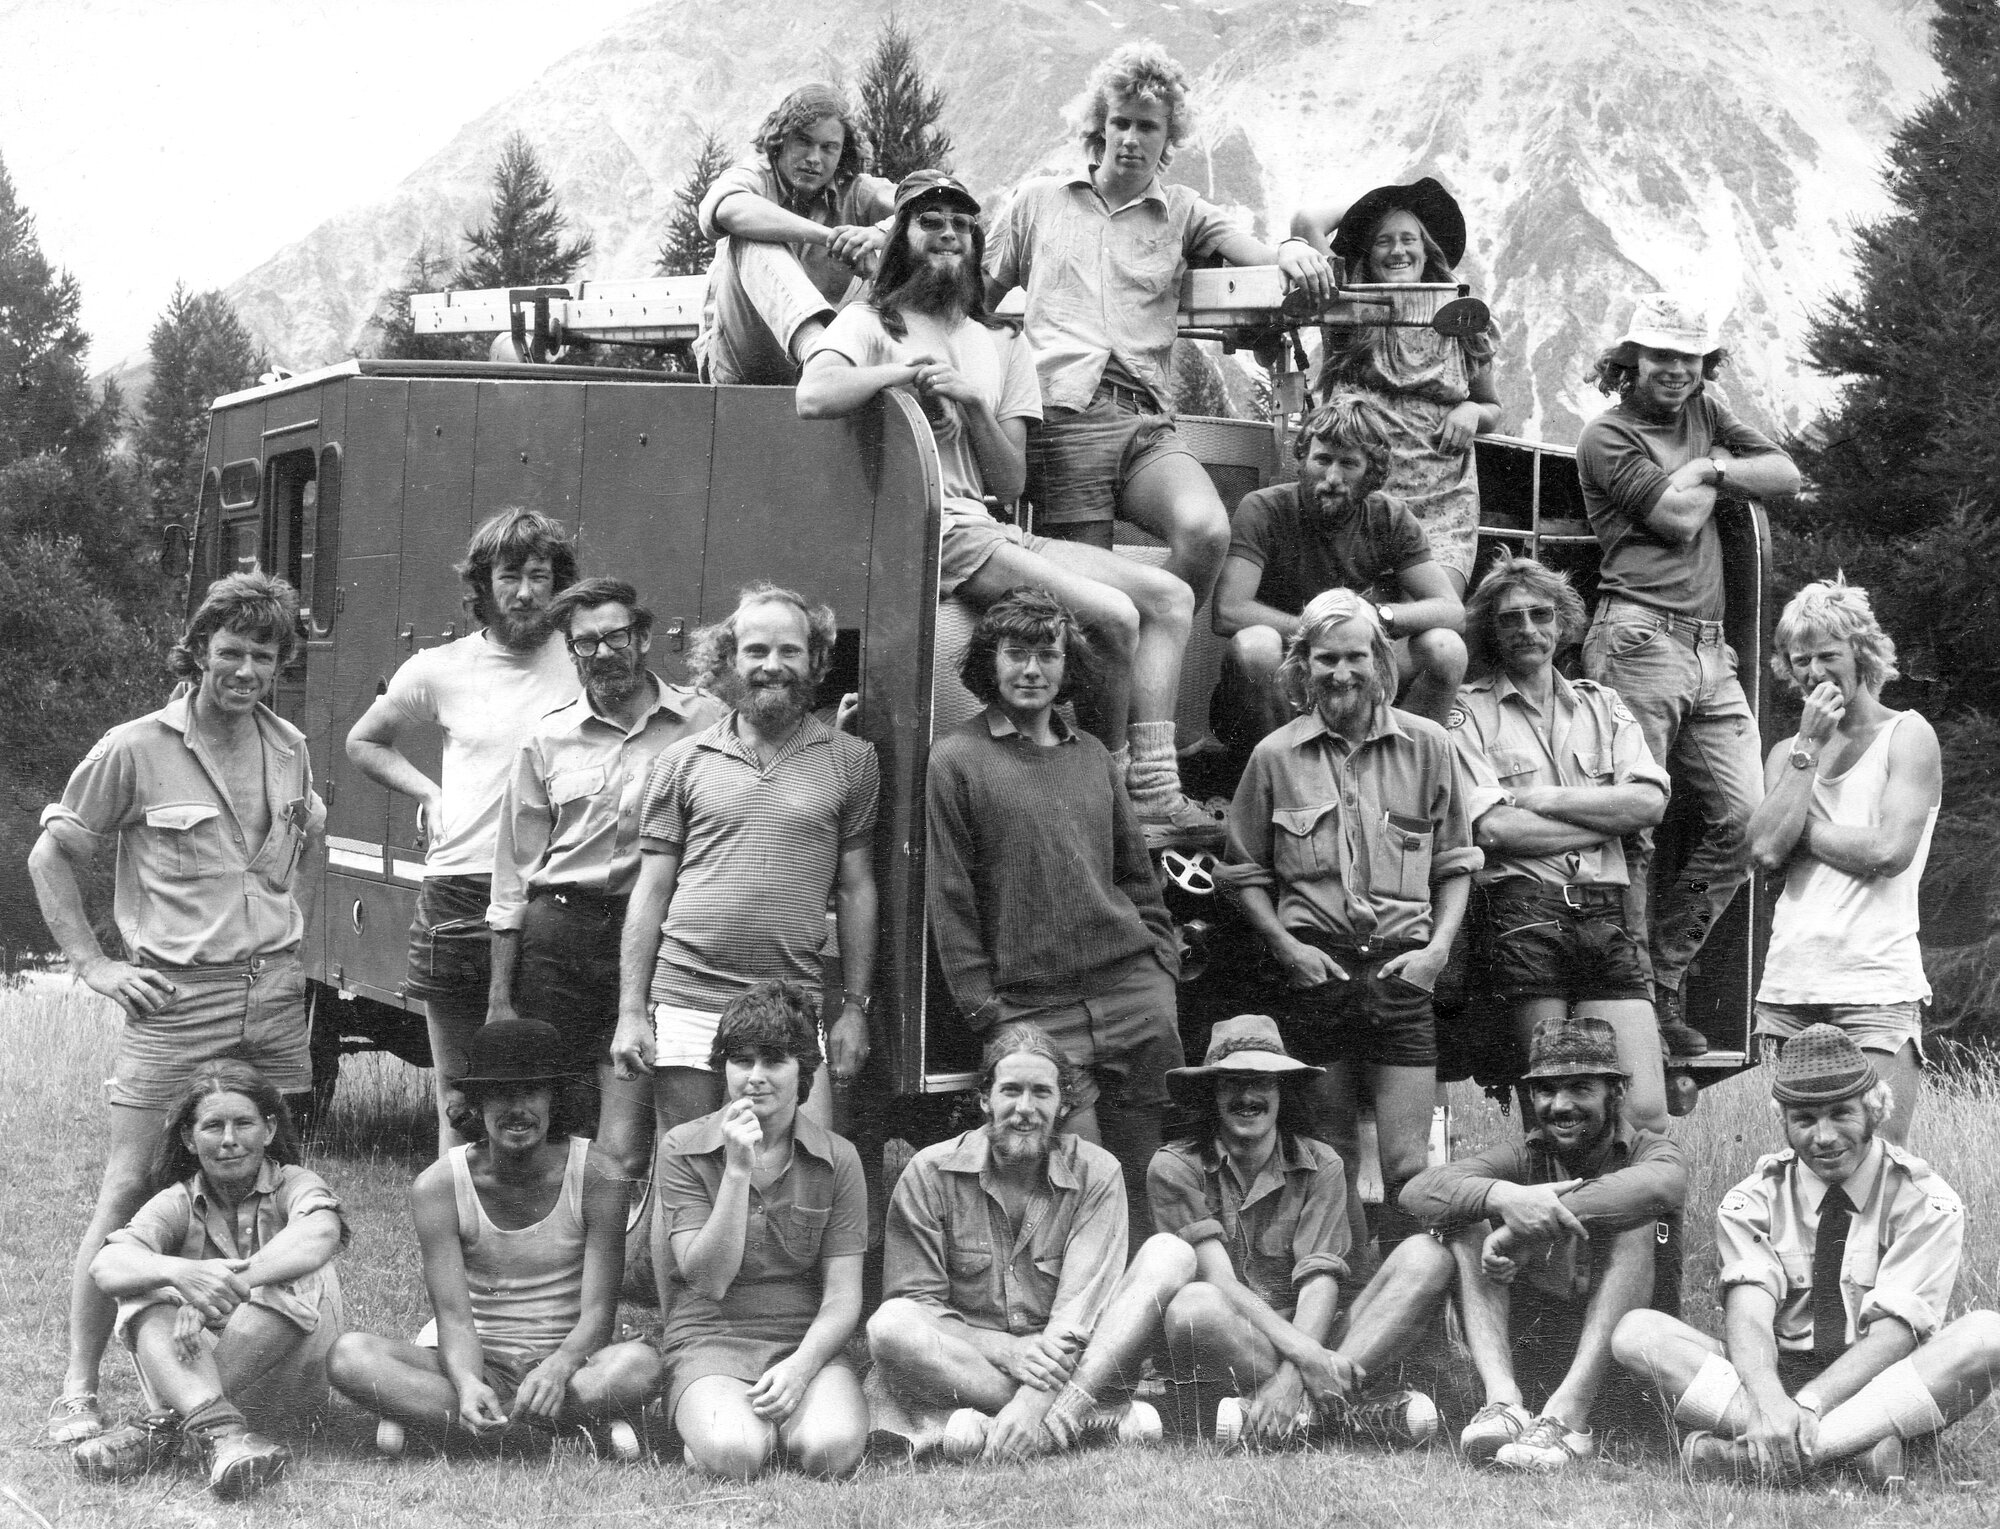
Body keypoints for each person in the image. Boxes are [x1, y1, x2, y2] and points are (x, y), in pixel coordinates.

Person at [984, 42, 1337, 840]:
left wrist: (1291, 254)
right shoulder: (1040, 202)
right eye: (1120, 124)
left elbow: (1257, 251)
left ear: (1166, 136)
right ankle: (1116, 771)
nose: (1132, 139)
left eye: (1148, 126)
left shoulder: (1181, 213)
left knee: (1205, 529)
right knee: (1087, 614)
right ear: (1097, 129)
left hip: (1145, 416)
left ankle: (1144, 747)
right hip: (1062, 420)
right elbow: (970, 287)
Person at [799, 169, 1201, 839]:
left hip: (991, 523)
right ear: (901, 237)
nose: (948, 233)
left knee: (1169, 600)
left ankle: (1154, 790)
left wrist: (969, 402)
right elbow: (813, 395)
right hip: (935, 528)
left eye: (961, 223)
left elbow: (1011, 481)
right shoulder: (873, 322)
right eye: (930, 221)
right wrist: (906, 375)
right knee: (1113, 618)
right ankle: (1105, 802)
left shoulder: (1003, 345)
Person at [30, 571, 326, 1447]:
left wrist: (286, 929)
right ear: (197, 651)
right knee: (129, 1186)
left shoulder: (291, 747)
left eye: (262, 656)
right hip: (175, 999)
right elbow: (52, 857)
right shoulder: (132, 746)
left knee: (277, 1184)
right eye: (228, 652)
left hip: (271, 995)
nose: (244, 670)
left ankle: (251, 1379)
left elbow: (287, 853)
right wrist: (93, 964)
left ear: (280, 664)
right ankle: (78, 1389)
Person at [1613, 1024, 2000, 1490]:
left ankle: (1763, 1455)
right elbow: (1749, 1317)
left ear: (1873, 1111)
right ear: (1785, 1122)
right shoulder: (1753, 1198)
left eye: (1842, 1114)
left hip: (1883, 1383)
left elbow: (1894, 1336)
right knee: (1637, 1332)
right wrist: (1772, 1399)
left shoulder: (1925, 1199)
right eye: (1805, 1118)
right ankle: (1854, 1453)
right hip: (1778, 1374)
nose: (1824, 1136)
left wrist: (1811, 1403)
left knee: (1988, 1335)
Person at [1223, 589, 1479, 1258]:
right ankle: (1350, 1299)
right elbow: (1243, 872)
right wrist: (1286, 947)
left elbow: (1456, 862)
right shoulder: (1275, 756)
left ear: (1381, 662)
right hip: (1319, 971)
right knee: (1331, 1155)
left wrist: (1436, 951)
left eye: (1356, 657)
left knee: (1408, 1166)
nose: (1341, 673)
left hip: (1402, 970)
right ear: (1302, 666)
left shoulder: (1430, 745)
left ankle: (1413, 1312)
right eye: (1325, 658)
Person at [1576, 293, 1801, 1055]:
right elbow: (1673, 521)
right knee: (1634, 825)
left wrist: (1707, 465)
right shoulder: (1607, 433)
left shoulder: (1705, 418)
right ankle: (1635, 1002)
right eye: (1661, 356)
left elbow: (1787, 473)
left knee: (1749, 819)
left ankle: (1662, 977)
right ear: (1630, 359)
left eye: (1689, 358)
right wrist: (1719, 470)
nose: (1676, 371)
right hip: (1637, 636)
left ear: (1704, 365)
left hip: (1711, 653)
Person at [925, 588, 1182, 1243]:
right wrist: (987, 1010)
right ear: (992, 661)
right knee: (1079, 1173)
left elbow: (1136, 871)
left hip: (1131, 992)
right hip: (1032, 1007)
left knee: (1146, 1169)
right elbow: (950, 896)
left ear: (1069, 666)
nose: (1032, 669)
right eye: (1017, 653)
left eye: (1048, 654)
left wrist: (1161, 964)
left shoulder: (1092, 754)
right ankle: (1084, 1318)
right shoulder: (956, 758)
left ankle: (1147, 1313)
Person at [1345, 1016, 1689, 1473]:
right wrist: (1506, 1197)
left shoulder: (1652, 1150)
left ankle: (1569, 1419)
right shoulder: (1524, 1157)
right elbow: (1418, 1191)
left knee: (1635, 1220)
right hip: (1537, 1363)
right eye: (1546, 1090)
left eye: (1581, 1088)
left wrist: (1530, 1226)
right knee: (1464, 1221)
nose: (1560, 1106)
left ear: (1617, 1093)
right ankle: (1503, 1404)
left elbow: (1663, 1186)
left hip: (1624, 1369)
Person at [1022, 1015, 1378, 1448]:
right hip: (1231, 1337)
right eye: (1232, 1083)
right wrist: (1307, 1361)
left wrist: (1292, 1374)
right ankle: (1345, 1407)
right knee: (1194, 1306)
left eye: (1262, 1083)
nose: (1248, 1096)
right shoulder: (1174, 1167)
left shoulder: (1323, 1163)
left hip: (1306, 1332)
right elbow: (1220, 1282)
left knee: (1419, 1260)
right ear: (1212, 1094)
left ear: (1283, 1091)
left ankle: (1288, 1407)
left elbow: (1319, 1279)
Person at [612, 582, 879, 1156]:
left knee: (806, 1167)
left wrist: (855, 1008)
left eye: (790, 651)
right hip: (687, 996)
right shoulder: (681, 762)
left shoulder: (852, 761)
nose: (772, 666)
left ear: (816, 661)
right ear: (729, 659)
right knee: (689, 1168)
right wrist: (632, 1012)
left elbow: (858, 889)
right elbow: (651, 891)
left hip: (792, 1001)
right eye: (756, 651)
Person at [346, 507, 581, 1154]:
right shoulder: (439, 668)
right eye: (511, 575)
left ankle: (535, 1240)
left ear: (560, 583)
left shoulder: (583, 661)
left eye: (541, 575)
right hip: (458, 891)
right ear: (483, 584)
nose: (527, 591)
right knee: (458, 1096)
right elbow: (365, 740)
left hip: (550, 893)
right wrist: (428, 791)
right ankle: (457, 1240)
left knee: (546, 1087)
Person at [326, 1019, 660, 1457]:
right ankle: (553, 1427)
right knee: (349, 1356)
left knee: (641, 1365)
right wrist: (466, 1383)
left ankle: (446, 1426)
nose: (516, 1109)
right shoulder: (438, 1186)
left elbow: (598, 1314)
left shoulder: (600, 1175)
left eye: (531, 1092)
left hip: (569, 1360)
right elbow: (454, 1318)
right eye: (500, 1094)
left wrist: (558, 1369)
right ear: (476, 1104)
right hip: (473, 1357)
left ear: (555, 1098)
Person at [486, 578, 727, 1181]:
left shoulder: (705, 719)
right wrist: (499, 997)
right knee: (559, 1107)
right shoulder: (547, 737)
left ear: (642, 638)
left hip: (655, 931)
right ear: (572, 652)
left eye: (614, 637)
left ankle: (628, 1242)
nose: (601, 654)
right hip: (560, 938)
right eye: (584, 644)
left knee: (639, 1100)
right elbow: (513, 879)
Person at [1448, 554, 1672, 1130]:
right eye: (1510, 618)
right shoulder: (1466, 713)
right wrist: (1607, 820)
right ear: (1490, 631)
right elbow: (1493, 828)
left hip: (1607, 913)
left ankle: (1629, 1216)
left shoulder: (1604, 704)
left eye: (1540, 614)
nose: (1528, 629)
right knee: (1552, 1113)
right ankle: (1554, 1219)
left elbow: (1649, 803)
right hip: (1523, 915)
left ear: (1563, 621)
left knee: (1643, 1111)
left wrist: (1540, 799)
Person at [72, 1063, 346, 1499]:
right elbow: (106, 1265)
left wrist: (219, 1291)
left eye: (244, 1123)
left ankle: (164, 1430)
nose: (230, 1140)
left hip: (286, 1384)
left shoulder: (294, 1183)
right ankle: (223, 1433)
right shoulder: (177, 1199)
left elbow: (321, 1235)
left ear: (270, 1129)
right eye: (213, 1126)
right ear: (188, 1138)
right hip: (193, 1374)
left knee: (305, 1270)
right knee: (141, 1282)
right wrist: (181, 1272)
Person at [866, 1024, 1138, 1461]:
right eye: (1011, 1090)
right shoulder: (928, 1173)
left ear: (1063, 1104)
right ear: (984, 1100)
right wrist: (1009, 1350)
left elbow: (1078, 1314)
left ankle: (1021, 1422)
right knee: (890, 1325)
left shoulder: (1097, 1172)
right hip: (977, 1361)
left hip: (1063, 1360)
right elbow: (918, 1305)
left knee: (1170, 1256)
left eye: (1041, 1093)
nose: (1024, 1109)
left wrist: (1033, 1400)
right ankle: (1087, 1419)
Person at [1747, 579, 1940, 1145]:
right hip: (1792, 986)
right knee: (1810, 1156)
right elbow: (1763, 851)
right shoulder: (1789, 752)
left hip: (1876, 983)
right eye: (1799, 659)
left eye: (1828, 655)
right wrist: (1808, 745)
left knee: (1879, 1157)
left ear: (1862, 654)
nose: (1813, 671)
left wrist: (1803, 830)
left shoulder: (1907, 734)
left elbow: (1888, 853)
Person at [655, 982, 869, 1479]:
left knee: (830, 1451)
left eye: (774, 1061)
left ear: (804, 1073)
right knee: (736, 1454)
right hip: (711, 1337)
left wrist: (802, 1367)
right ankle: (716, 1424)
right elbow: (708, 1280)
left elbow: (842, 1298)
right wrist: (736, 1170)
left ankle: (763, 1426)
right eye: (740, 1060)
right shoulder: (682, 1147)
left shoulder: (839, 1159)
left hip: (802, 1341)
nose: (755, 1077)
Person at [1212, 392, 1466, 739]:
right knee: (1255, 646)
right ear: (1302, 459)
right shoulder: (1263, 508)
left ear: (1371, 474)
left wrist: (1379, 618)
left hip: (1355, 665)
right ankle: (1282, 779)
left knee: (1446, 649)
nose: (1331, 476)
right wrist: (1321, 631)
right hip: (1289, 666)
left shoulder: (1389, 517)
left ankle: (1396, 767)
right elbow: (1228, 610)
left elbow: (1452, 610)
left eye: (1348, 463)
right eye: (1322, 459)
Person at [1291, 178, 1502, 593]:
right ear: (1369, 254)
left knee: (1432, 626)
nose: (1398, 250)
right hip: (1358, 495)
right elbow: (1306, 221)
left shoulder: (1463, 317)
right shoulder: (1350, 309)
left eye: (1409, 238)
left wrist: (1472, 412)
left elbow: (1492, 407)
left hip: (1443, 500)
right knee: (1352, 623)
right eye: (1383, 240)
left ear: (1427, 250)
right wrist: (1376, 201)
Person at [695, 82, 895, 386]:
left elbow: (927, 202)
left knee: (912, 241)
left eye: (829, 148)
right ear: (780, 140)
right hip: (740, 364)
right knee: (751, 233)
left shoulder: (855, 191)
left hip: (810, 370)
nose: (814, 158)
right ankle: (818, 351)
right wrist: (830, 236)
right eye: (804, 142)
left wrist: (878, 233)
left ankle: (844, 363)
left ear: (842, 153)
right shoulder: (756, 175)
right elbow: (727, 209)